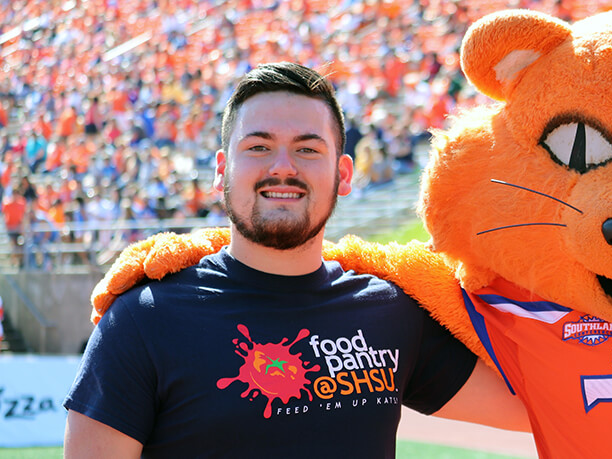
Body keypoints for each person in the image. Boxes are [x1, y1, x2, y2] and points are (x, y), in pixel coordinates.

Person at [63, 62, 527, 458]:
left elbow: (538, 407)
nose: (283, 166)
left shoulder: (392, 311)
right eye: (259, 147)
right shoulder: (144, 318)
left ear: (343, 174)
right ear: (222, 170)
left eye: (307, 149)